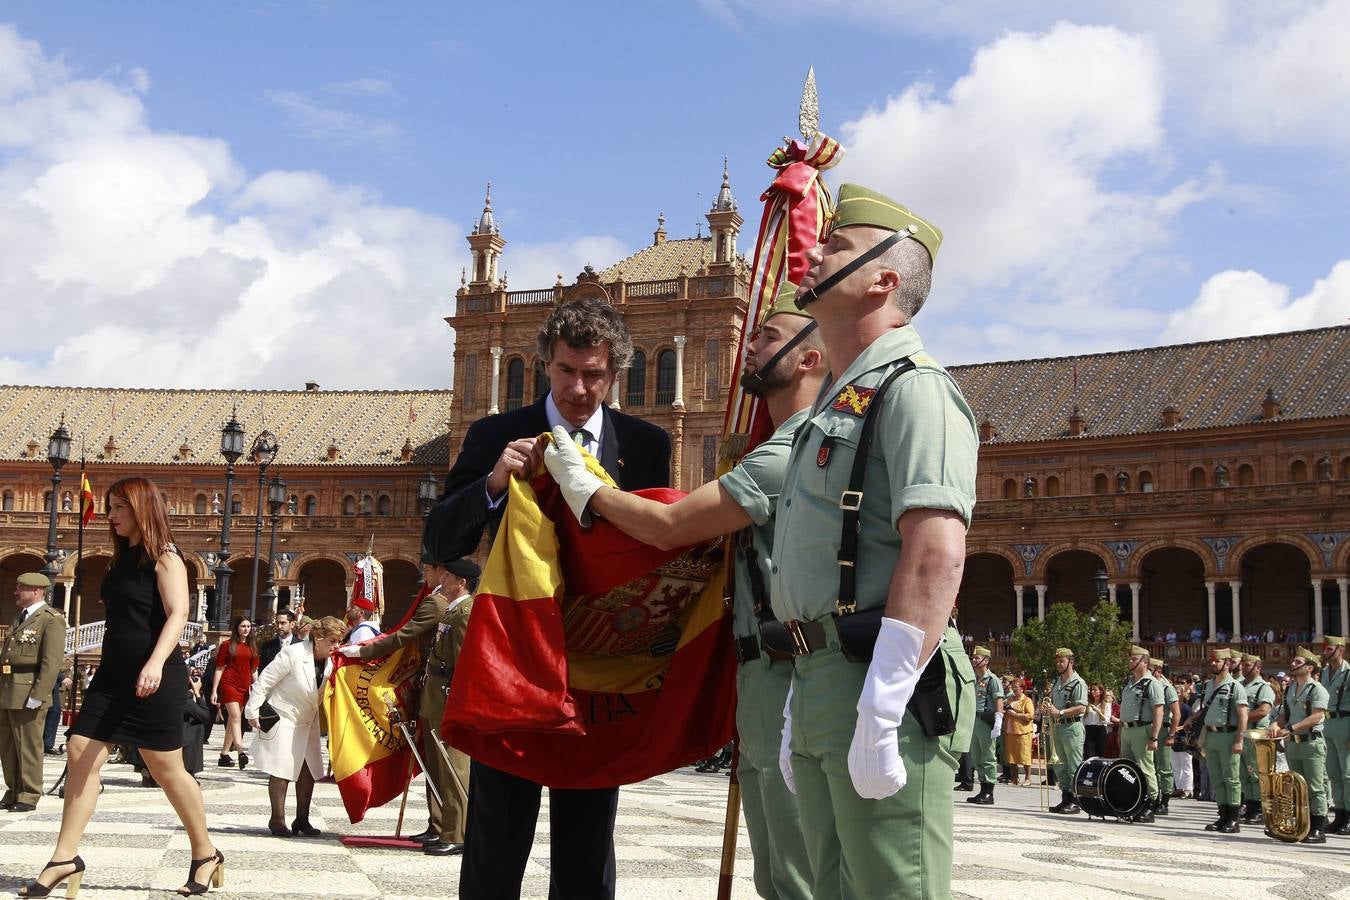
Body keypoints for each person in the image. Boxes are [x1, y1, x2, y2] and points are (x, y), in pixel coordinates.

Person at [543, 281, 824, 900]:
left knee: (797, 872)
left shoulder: (800, 448)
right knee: (776, 869)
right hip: (758, 673)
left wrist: (585, 490)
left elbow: (674, 528)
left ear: (812, 355)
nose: (750, 346)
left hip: (794, 674)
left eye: (767, 336)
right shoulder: (777, 444)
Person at [757, 184, 978, 899]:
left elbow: (936, 552)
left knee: (892, 889)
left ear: (884, 278)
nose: (812, 249)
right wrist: (802, 685)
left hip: (882, 679)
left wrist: (884, 701)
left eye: (836, 245)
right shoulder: (840, 398)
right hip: (822, 673)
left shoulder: (914, 391)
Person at [426, 296, 671, 900]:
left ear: (616, 372)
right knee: (496, 837)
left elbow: (658, 545)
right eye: (567, 371)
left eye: (594, 374)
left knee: (588, 843)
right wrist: (491, 483)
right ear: (546, 367)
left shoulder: (644, 444)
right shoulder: (495, 434)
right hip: (513, 658)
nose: (580, 388)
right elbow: (439, 538)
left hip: (596, 663)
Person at [22, 477, 222, 897]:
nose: (109, 516)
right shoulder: (120, 560)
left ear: (141, 508)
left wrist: (154, 662)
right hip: (112, 676)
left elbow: (179, 613)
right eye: (110, 507)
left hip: (154, 676)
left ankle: (205, 853)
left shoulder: (166, 557)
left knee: (167, 769)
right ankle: (64, 857)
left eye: (118, 508)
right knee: (80, 752)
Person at [338, 552, 450, 843]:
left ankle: (444, 825)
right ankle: (438, 823)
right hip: (431, 689)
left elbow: (404, 635)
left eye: (429, 568)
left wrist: (364, 651)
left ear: (442, 571)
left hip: (435, 689)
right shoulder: (439, 600)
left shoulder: (436, 603)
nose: (425, 573)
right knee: (434, 761)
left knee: (439, 761)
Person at [245, 615, 344, 838]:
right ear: (318, 638)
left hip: (308, 720)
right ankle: (277, 819)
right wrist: (252, 710)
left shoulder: (332, 661)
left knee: (308, 771)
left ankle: (302, 819)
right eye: (333, 641)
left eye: (339, 641)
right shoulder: (293, 653)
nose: (336, 646)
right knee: (281, 769)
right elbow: (265, 680)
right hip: (284, 715)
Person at [418, 557, 481, 857]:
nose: (442, 579)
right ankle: (444, 825)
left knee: (454, 766)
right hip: (436, 694)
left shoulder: (466, 612)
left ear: (462, 583)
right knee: (440, 766)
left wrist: (458, 700)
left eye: (449, 576)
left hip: (448, 696)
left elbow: (463, 662)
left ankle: (457, 832)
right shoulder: (452, 611)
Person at [1, 572, 66, 813]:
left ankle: (29, 794)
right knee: (8, 746)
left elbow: (51, 661)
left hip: (29, 691)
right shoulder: (21, 617)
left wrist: (38, 694)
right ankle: (13, 790)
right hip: (8, 690)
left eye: (21, 588)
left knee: (28, 746)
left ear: (37, 591)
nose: (16, 592)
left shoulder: (50, 619)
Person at [1269, 647, 1330, 844]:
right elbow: (1283, 715)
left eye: (1297, 663)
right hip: (1293, 744)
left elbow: (1317, 716)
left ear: (1309, 668)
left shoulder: (1317, 689)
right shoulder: (1290, 689)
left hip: (1311, 742)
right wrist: (1275, 724)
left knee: (1315, 786)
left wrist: (1291, 727)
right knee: (1296, 786)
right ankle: (1300, 825)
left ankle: (1318, 828)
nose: (1293, 665)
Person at [1191, 648, 1247, 834]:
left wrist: (1239, 739)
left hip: (1228, 735)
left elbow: (1242, 716)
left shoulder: (1235, 687)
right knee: (1217, 778)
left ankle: (1233, 818)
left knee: (1231, 778)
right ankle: (1222, 815)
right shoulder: (1208, 686)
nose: (1213, 664)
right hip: (1211, 736)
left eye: (1217, 661)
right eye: (1212, 661)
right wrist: (1193, 717)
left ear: (1228, 664)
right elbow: (1207, 709)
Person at [1118, 645, 1164, 823]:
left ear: (1145, 662)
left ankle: (1151, 804)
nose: (1130, 662)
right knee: (1127, 769)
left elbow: (1158, 711)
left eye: (1134, 659)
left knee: (1146, 769)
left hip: (1142, 729)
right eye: (1130, 659)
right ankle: (1133, 802)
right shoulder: (1129, 683)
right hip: (1127, 730)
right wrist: (1121, 731)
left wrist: (1154, 736)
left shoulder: (1152, 684)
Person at [1042, 647, 1088, 814]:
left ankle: (1076, 801)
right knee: (1060, 765)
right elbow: (1053, 703)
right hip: (1057, 727)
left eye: (1062, 661)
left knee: (1073, 765)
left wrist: (1060, 712)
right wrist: (1047, 709)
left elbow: (1082, 707)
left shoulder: (1078, 682)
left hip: (1071, 727)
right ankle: (1065, 799)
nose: (1059, 664)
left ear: (1071, 661)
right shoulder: (1057, 682)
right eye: (1057, 661)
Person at [210, 616, 258, 770]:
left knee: (232, 720)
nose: (246, 629)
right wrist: (214, 691)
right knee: (236, 717)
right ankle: (240, 751)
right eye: (243, 626)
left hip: (244, 687)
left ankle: (224, 754)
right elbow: (219, 667)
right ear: (237, 628)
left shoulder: (252, 647)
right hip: (228, 684)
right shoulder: (227, 645)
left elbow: (254, 671)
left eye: (248, 626)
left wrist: (257, 688)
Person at [1237, 652, 1276, 824]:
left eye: (1247, 665)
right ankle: (1250, 806)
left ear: (1257, 668)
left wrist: (1241, 718)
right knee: (1244, 774)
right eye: (1243, 665)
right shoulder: (1238, 685)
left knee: (1257, 773)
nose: (1243, 667)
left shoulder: (1263, 687)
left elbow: (1263, 710)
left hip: (1256, 734)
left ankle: (1261, 809)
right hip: (1242, 734)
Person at [966, 646, 1004, 805]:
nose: (974, 660)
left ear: (986, 660)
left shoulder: (992, 679)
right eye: (973, 657)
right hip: (973, 720)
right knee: (976, 756)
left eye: (977, 657)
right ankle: (982, 789)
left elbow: (999, 700)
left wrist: (998, 719)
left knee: (988, 756)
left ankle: (989, 792)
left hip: (986, 720)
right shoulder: (973, 678)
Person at [1320, 635, 1349, 835]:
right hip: (1327, 723)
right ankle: (1339, 814)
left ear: (1340, 650)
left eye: (1329, 649)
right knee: (1333, 773)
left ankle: (1348, 816)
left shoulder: (1348, 673)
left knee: (1347, 774)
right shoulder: (1324, 673)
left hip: (1345, 722)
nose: (1325, 652)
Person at [1149, 659, 1180, 815]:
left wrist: (1171, 735)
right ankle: (1152, 798)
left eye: (1151, 669)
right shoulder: (1147, 685)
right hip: (1149, 729)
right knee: (1151, 767)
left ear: (1158, 671)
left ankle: (1165, 801)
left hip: (1163, 731)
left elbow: (1176, 714)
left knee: (1164, 768)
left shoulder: (1167, 688)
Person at [1003, 678, 1035, 785]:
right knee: (1011, 756)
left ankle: (1028, 778)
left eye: (1016, 687)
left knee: (1024, 755)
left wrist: (1016, 714)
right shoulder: (1009, 699)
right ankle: (1014, 779)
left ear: (1022, 688)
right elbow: (1003, 708)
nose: (1014, 689)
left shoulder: (1027, 700)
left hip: (1023, 732)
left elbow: (1030, 715)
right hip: (1010, 731)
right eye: (1013, 687)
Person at [1171, 681, 1194, 799]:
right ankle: (1179, 788)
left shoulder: (1186, 708)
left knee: (1186, 766)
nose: (1175, 693)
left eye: (1177, 692)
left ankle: (1188, 789)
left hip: (1184, 739)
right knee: (1176, 765)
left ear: (1182, 694)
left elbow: (1189, 725)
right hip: (1173, 739)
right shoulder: (1171, 707)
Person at [1083, 683, 1110, 759]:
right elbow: (1084, 719)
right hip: (1089, 730)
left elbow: (1106, 720)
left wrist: (1098, 711)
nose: (1092, 692)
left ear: (1101, 691)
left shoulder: (1106, 704)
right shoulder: (1088, 704)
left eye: (1095, 690)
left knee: (1100, 754)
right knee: (1089, 754)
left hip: (1100, 730)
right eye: (1091, 690)